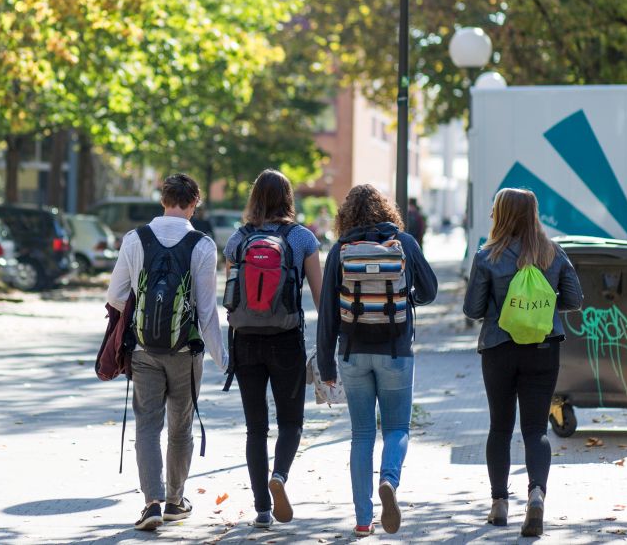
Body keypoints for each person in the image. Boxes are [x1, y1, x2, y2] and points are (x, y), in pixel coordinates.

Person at [105, 173, 228, 531]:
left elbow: (115, 295)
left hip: (143, 349)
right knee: (180, 427)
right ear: (194, 204)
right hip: (186, 352)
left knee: (147, 425)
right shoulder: (202, 245)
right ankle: (176, 500)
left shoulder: (135, 239)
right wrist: (223, 359)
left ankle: (152, 504)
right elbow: (207, 311)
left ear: (163, 200)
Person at [316, 184, 437, 538]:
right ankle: (389, 480)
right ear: (387, 210)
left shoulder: (340, 249)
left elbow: (327, 315)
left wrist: (326, 367)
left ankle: (362, 520)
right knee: (397, 428)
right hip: (396, 351)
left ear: (345, 215)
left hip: (352, 353)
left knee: (362, 434)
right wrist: (406, 296)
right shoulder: (404, 243)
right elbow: (429, 290)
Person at [462, 188, 582, 537]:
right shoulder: (553, 252)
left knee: (500, 428)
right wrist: (541, 308)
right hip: (543, 349)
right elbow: (574, 299)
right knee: (535, 430)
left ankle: (499, 504)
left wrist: (503, 308)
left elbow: (472, 309)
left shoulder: (487, 256)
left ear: (500, 214)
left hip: (499, 348)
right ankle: (536, 496)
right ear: (533, 214)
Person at [222, 169, 322, 529]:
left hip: (245, 340)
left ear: (254, 199)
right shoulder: (301, 238)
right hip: (286, 339)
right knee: (291, 422)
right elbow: (320, 297)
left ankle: (262, 509)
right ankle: (279, 475)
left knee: (255, 428)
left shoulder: (237, 240)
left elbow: (232, 294)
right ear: (288, 198)